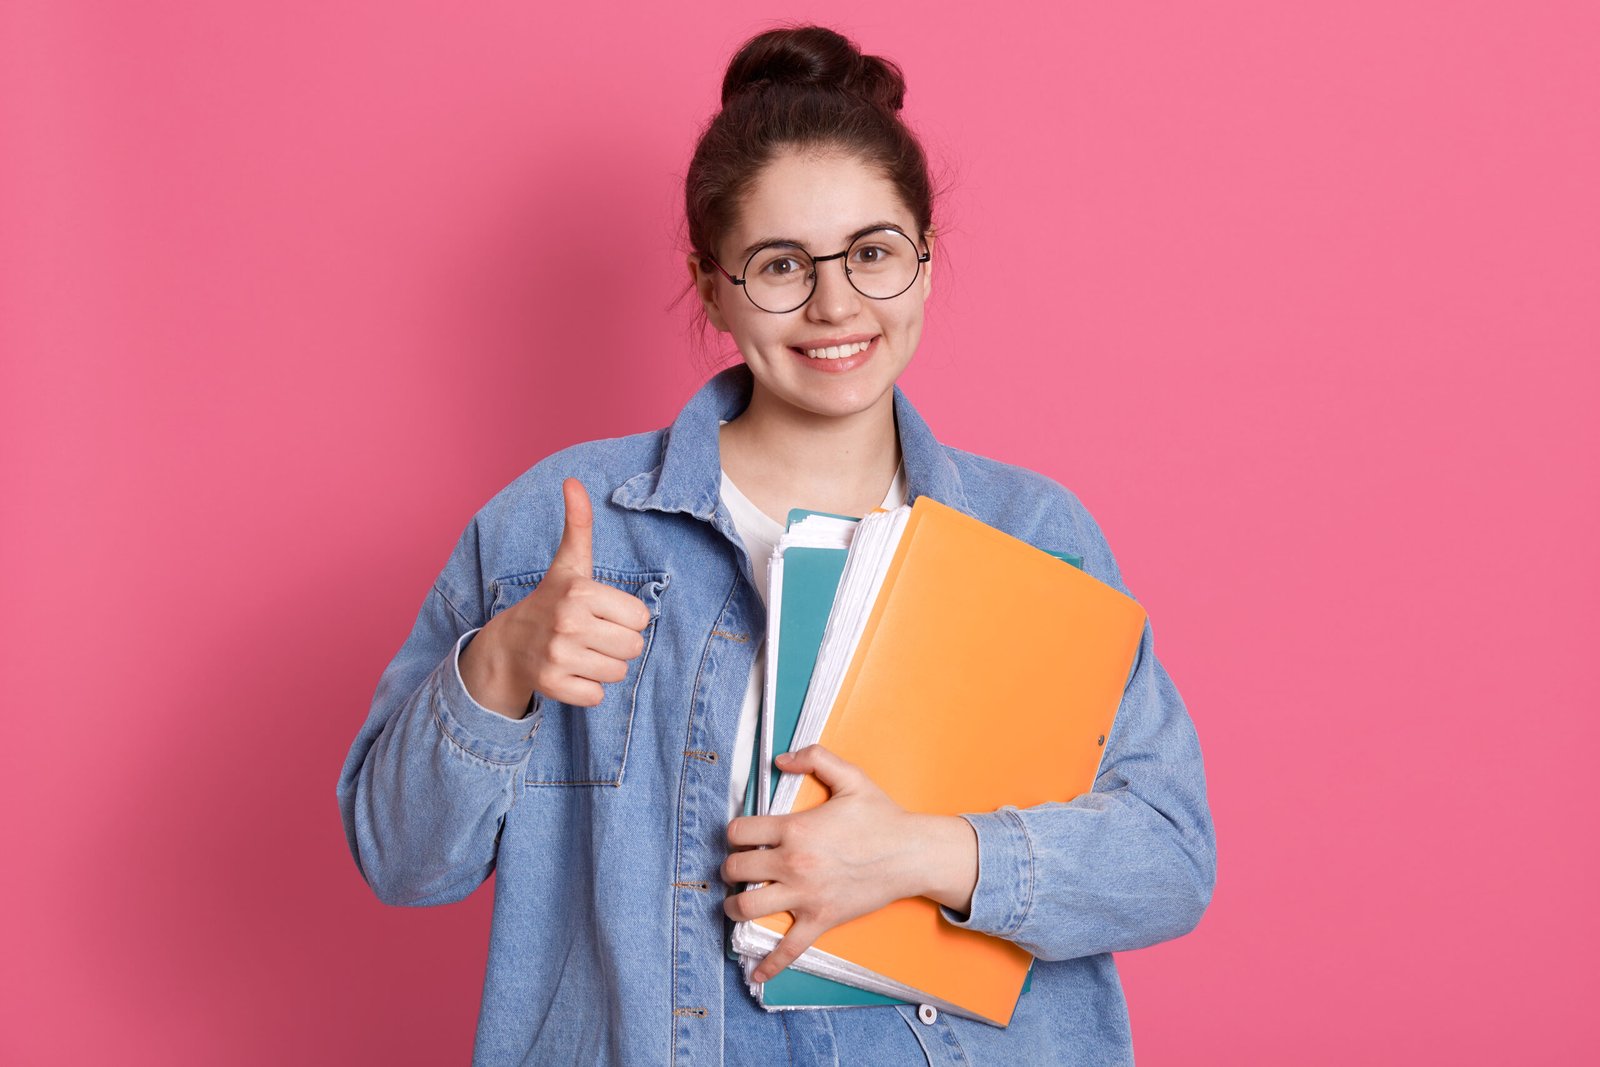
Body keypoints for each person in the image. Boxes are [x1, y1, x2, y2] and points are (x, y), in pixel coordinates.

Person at [337, 24, 1215, 1066]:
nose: (836, 304)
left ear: (925, 263)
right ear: (711, 284)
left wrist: (923, 853)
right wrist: (497, 665)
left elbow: (1167, 855)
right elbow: (400, 860)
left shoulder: (1032, 534)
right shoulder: (556, 524)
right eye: (781, 263)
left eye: (874, 253)